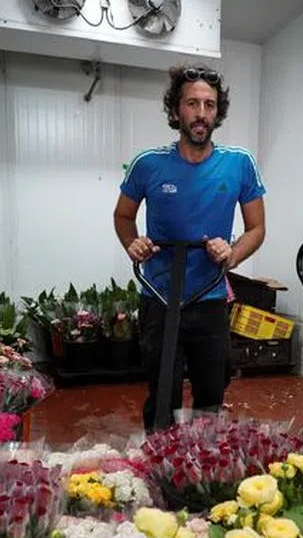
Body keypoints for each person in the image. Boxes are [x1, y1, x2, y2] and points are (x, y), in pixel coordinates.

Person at [113, 64, 267, 431]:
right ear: (175, 110)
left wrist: (232, 254)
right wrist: (132, 243)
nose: (201, 113)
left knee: (211, 395)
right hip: (159, 298)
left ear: (218, 112)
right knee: (162, 394)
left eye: (210, 105)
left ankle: (202, 469)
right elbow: (122, 217)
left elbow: (257, 228)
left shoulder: (239, 164)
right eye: (192, 103)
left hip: (209, 298)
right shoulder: (148, 164)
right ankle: (159, 463)